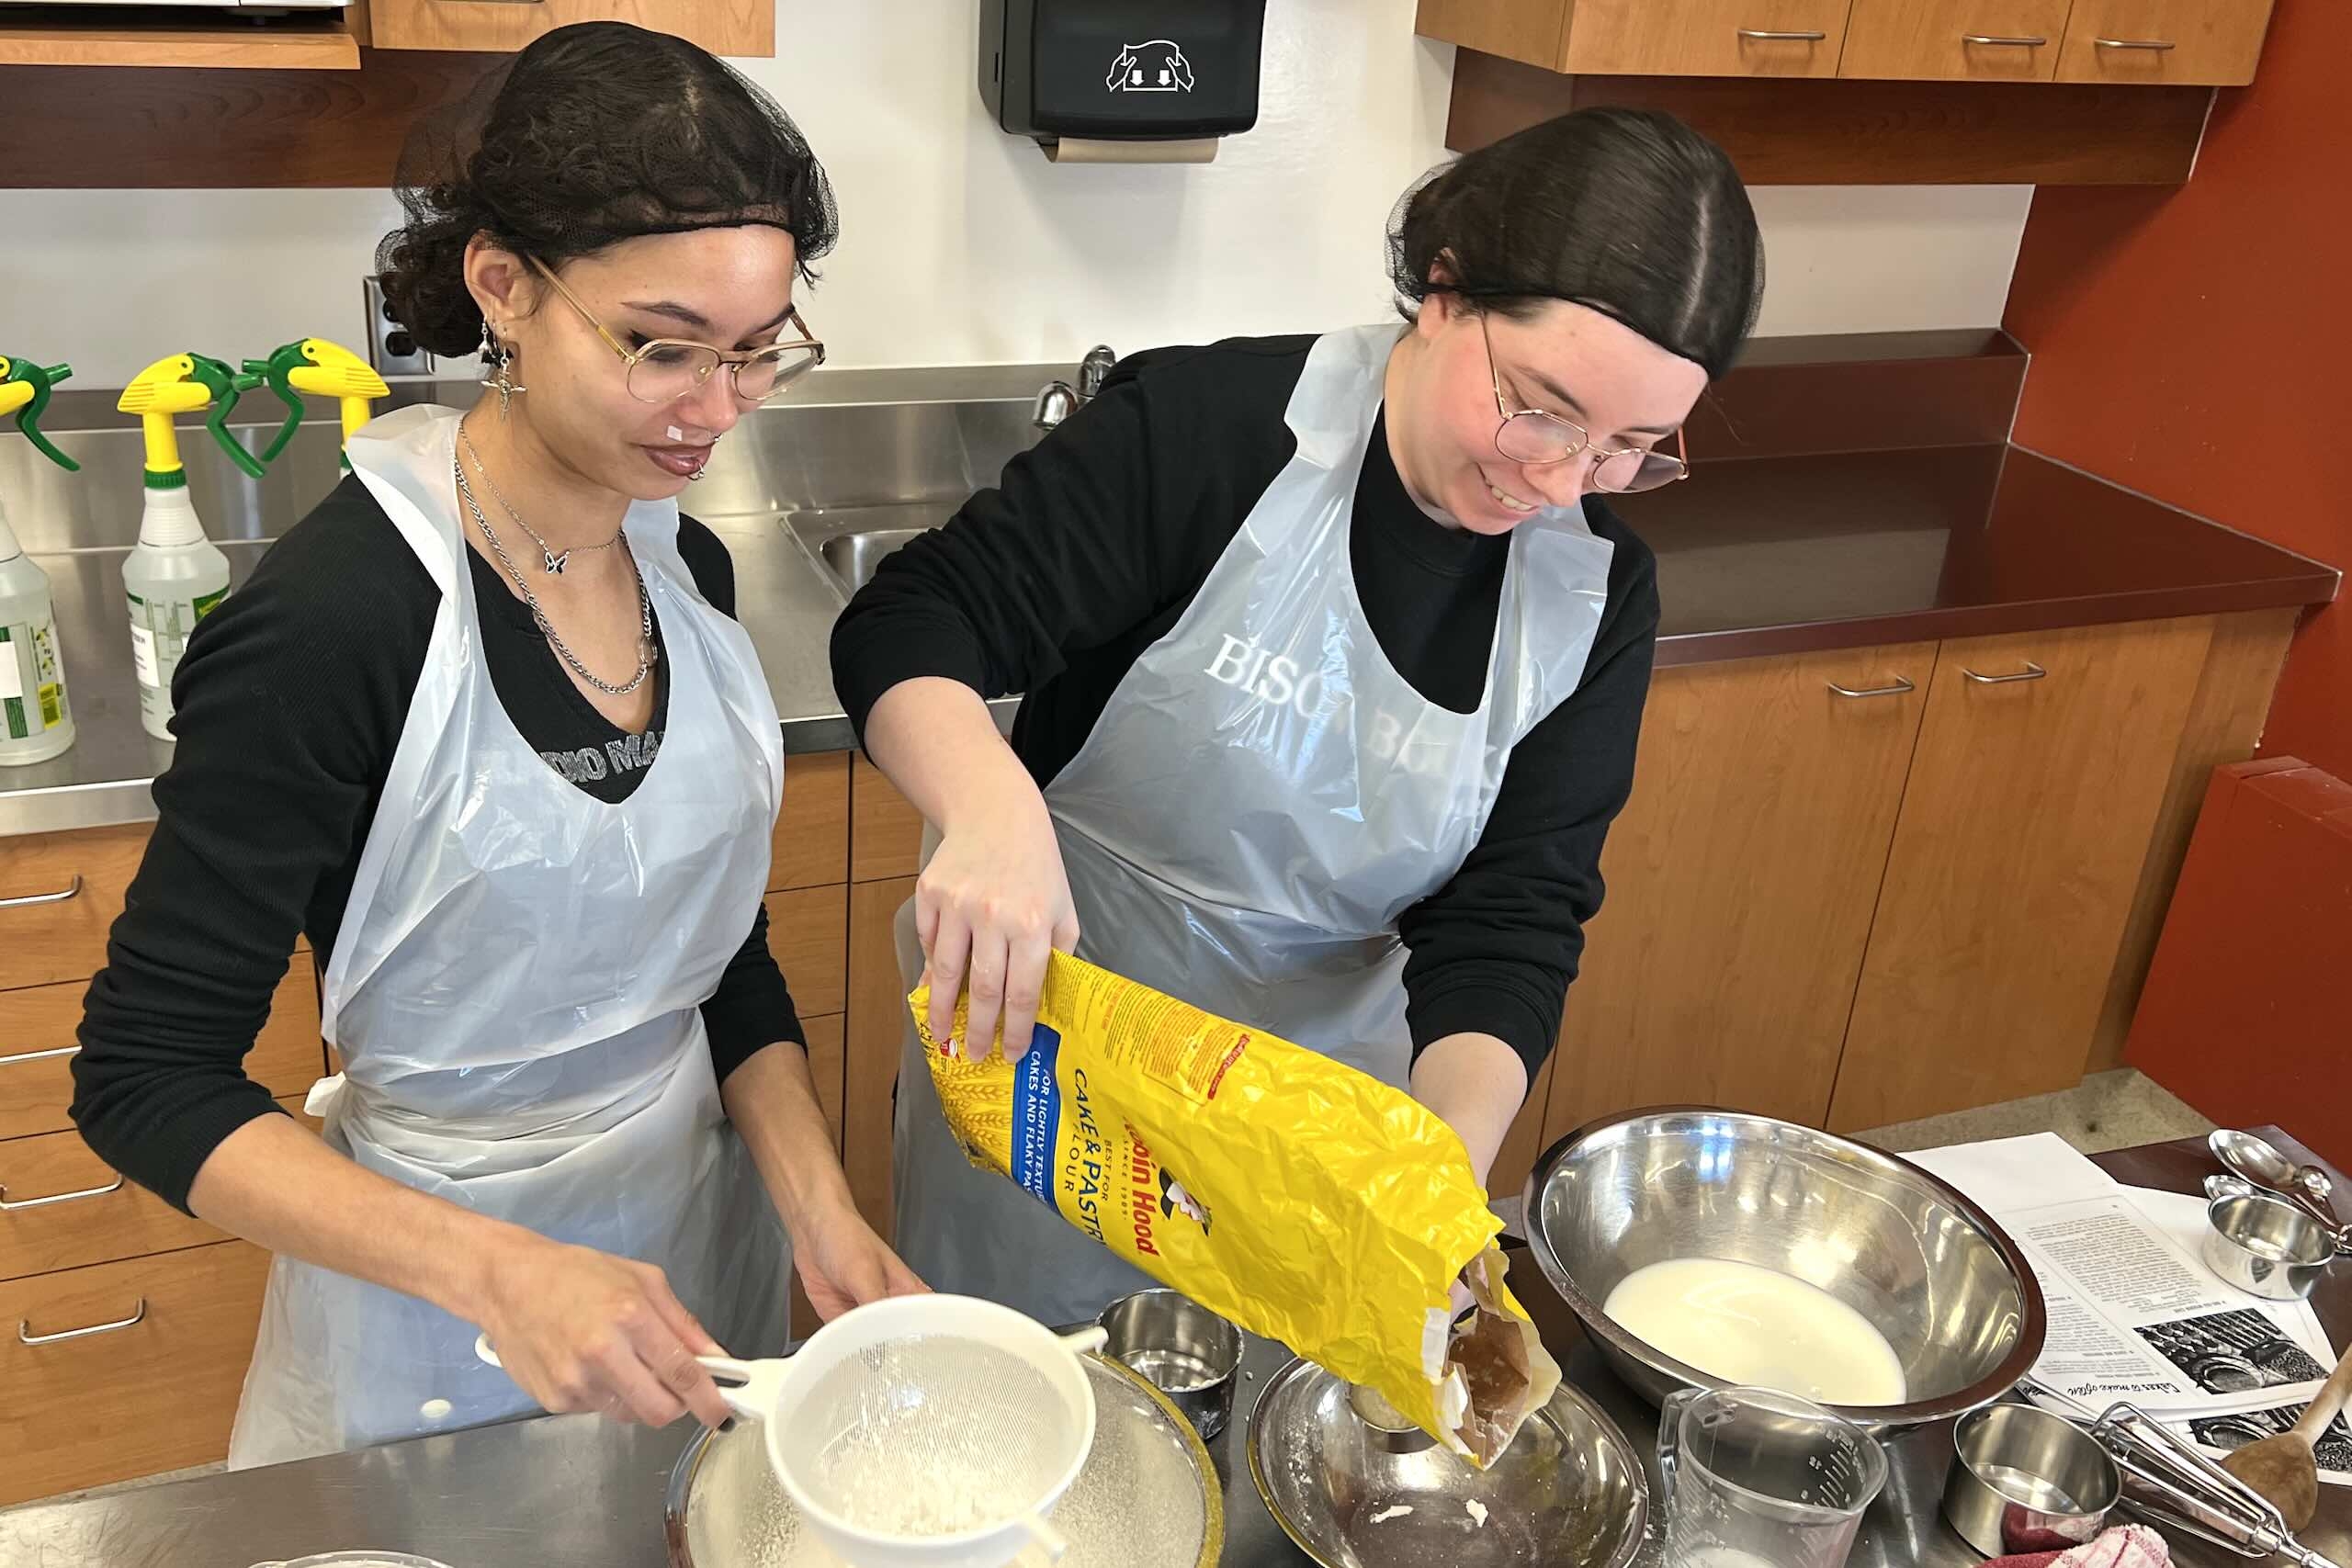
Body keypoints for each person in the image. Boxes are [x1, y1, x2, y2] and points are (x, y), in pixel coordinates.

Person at [72, 22, 920, 1470]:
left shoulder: (689, 580)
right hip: (432, 1321)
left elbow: (715, 958)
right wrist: (496, 1271)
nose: (716, 411)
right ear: (504, 287)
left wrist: (819, 1207)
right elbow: (147, 1081)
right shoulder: (337, 625)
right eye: (662, 347)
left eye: (759, 352)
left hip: (687, 1276)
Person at [831, 108, 1764, 1326]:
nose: (1557, 483)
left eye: (1628, 450)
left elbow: (1511, 921)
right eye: (1540, 408)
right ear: (1444, 291)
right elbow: (914, 619)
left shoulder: (1592, 596)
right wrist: (989, 808)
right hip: (1052, 1098)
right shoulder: (1215, 434)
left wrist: (1431, 1177)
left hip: (1309, 1141)